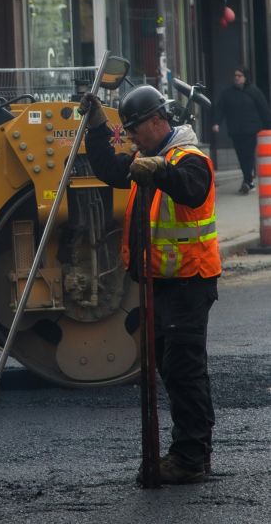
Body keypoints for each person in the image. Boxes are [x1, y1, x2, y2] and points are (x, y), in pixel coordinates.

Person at [80, 86, 220, 485]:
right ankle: (192, 452)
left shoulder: (189, 159)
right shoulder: (150, 157)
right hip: (163, 283)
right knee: (173, 368)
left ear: (157, 122)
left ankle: (191, 458)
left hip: (189, 283)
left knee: (184, 371)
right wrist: (96, 127)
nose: (131, 138)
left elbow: (190, 188)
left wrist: (158, 171)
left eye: (134, 130)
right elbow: (109, 168)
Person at [212, 66, 271, 194]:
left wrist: (268, 127)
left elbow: (264, 109)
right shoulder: (228, 93)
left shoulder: (254, 92)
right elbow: (220, 108)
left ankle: (247, 181)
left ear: (245, 78)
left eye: (240, 76)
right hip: (236, 131)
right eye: (235, 76)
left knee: (248, 155)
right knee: (241, 156)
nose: (237, 78)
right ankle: (248, 181)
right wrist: (216, 123)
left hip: (251, 130)